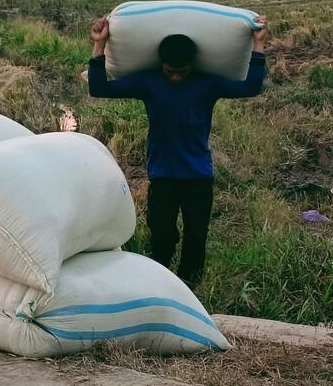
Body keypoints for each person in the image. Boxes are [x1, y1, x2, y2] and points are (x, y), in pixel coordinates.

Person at [87, 15, 267, 289]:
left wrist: (258, 41)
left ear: (191, 66)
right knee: (161, 235)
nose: (175, 77)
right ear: (162, 65)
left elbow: (251, 87)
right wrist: (99, 45)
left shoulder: (207, 84)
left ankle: (189, 288)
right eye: (169, 71)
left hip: (198, 177)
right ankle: (158, 283)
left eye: (181, 72)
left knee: (197, 236)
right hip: (163, 176)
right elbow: (98, 87)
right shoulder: (149, 83)